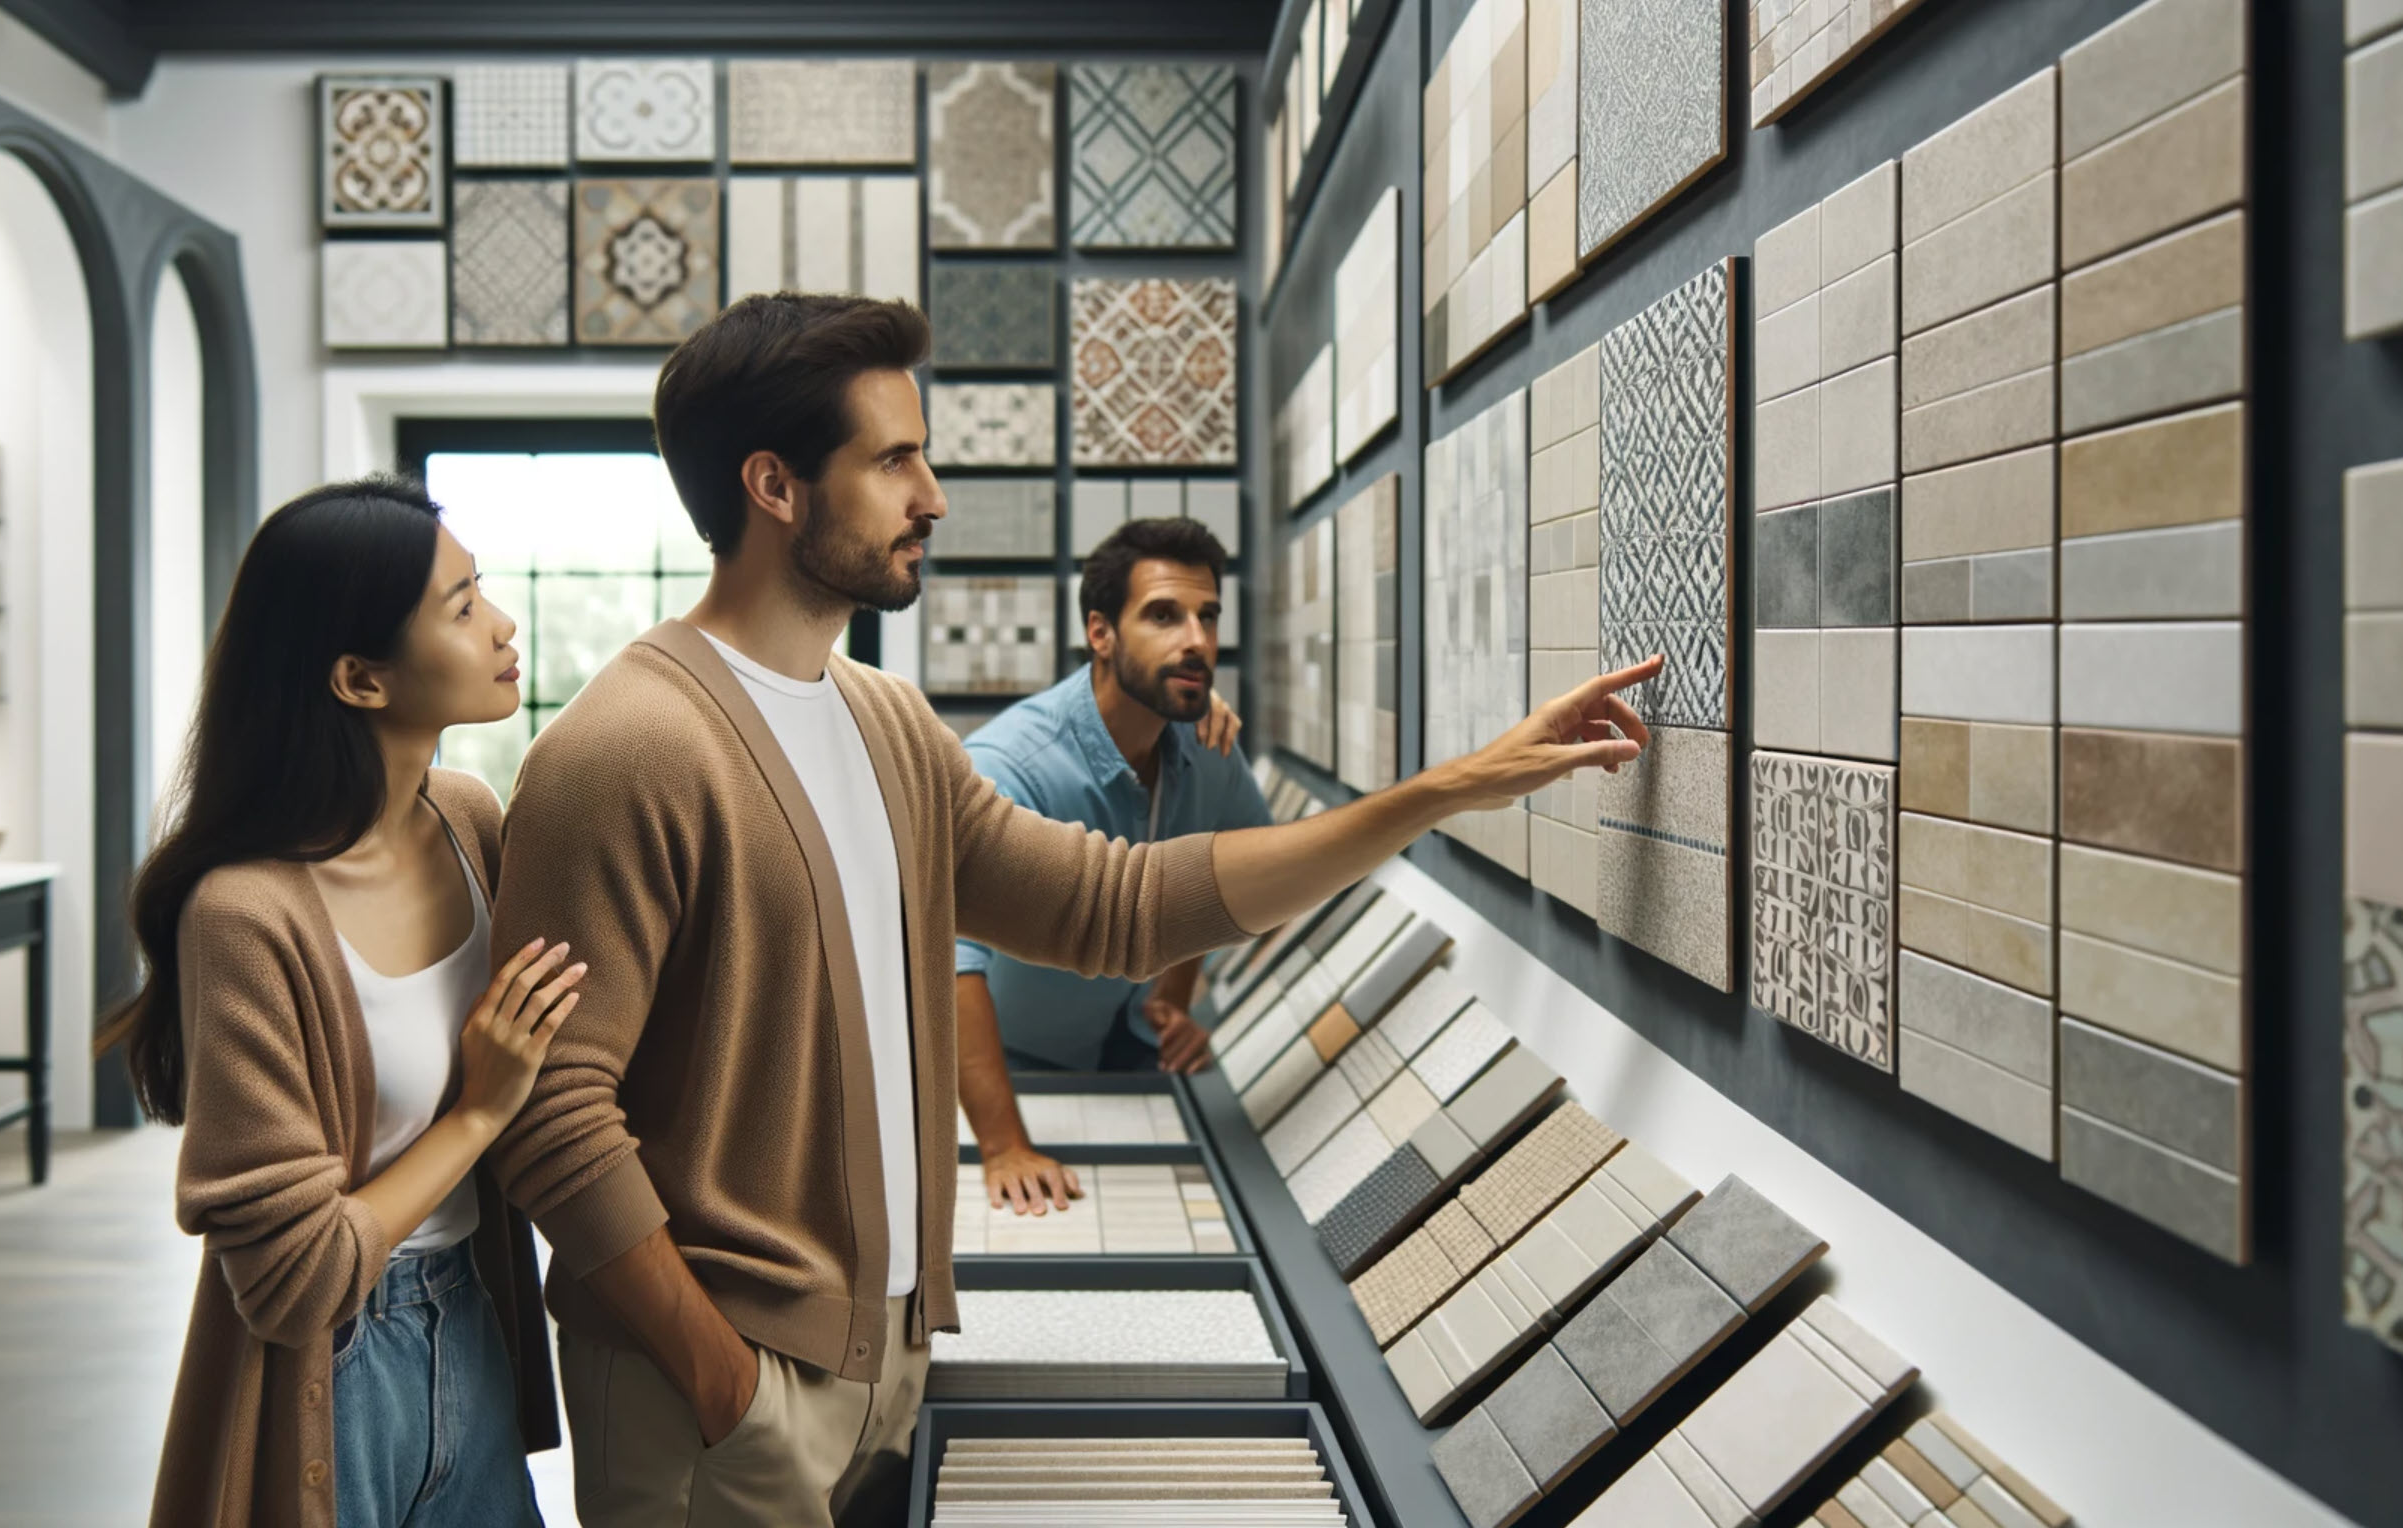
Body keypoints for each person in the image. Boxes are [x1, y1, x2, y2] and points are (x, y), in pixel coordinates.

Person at [484, 292, 1661, 1528]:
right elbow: (553, 1111)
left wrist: (1455, 787)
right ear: (775, 486)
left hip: (878, 1367)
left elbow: (1121, 907)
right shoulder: (620, 748)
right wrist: (723, 1381)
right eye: (895, 459)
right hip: (717, 1396)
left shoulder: (887, 726)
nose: (932, 496)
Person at [110, 478, 577, 1528]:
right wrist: (480, 1111)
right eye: (460, 608)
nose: (502, 625)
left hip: (474, 1315)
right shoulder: (245, 915)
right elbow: (295, 1279)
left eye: (483, 590)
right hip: (335, 1370)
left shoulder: (470, 820)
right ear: (361, 679)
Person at [954, 517, 1270, 1217]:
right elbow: (951, 963)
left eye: (1207, 616)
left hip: (1131, 1050)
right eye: (1164, 616)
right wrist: (1003, 1145)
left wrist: (1177, 998)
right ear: (1100, 633)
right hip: (1011, 1072)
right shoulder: (1009, 769)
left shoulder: (1209, 742)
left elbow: (1242, 877)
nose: (1196, 640)